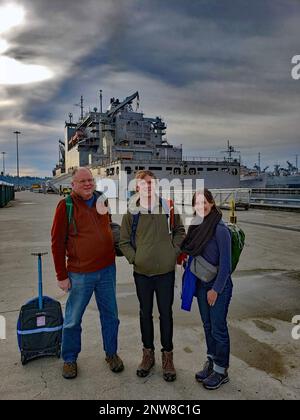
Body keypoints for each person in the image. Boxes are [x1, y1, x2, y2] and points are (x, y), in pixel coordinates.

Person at [51, 167, 124, 379]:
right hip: (80, 273)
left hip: (107, 270)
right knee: (73, 319)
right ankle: (70, 359)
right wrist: (61, 275)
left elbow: (108, 225)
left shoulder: (102, 200)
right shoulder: (65, 206)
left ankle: (111, 354)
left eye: (90, 180)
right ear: (72, 184)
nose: (87, 184)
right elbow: (57, 243)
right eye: (82, 181)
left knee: (111, 316)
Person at [119, 170, 185, 381]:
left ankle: (168, 357)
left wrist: (172, 252)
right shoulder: (132, 211)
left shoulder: (168, 206)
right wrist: (135, 258)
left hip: (165, 272)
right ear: (137, 187)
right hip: (142, 273)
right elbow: (123, 241)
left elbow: (180, 231)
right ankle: (148, 355)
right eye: (143, 183)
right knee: (144, 314)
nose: (148, 186)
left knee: (166, 314)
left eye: (151, 183)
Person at [181, 188, 232, 390]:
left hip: (217, 286)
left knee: (219, 328)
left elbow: (226, 265)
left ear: (211, 203)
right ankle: (211, 361)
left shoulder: (220, 230)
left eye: (204, 202)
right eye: (197, 203)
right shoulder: (197, 225)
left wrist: (216, 290)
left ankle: (221, 370)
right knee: (207, 325)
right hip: (202, 284)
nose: (201, 207)